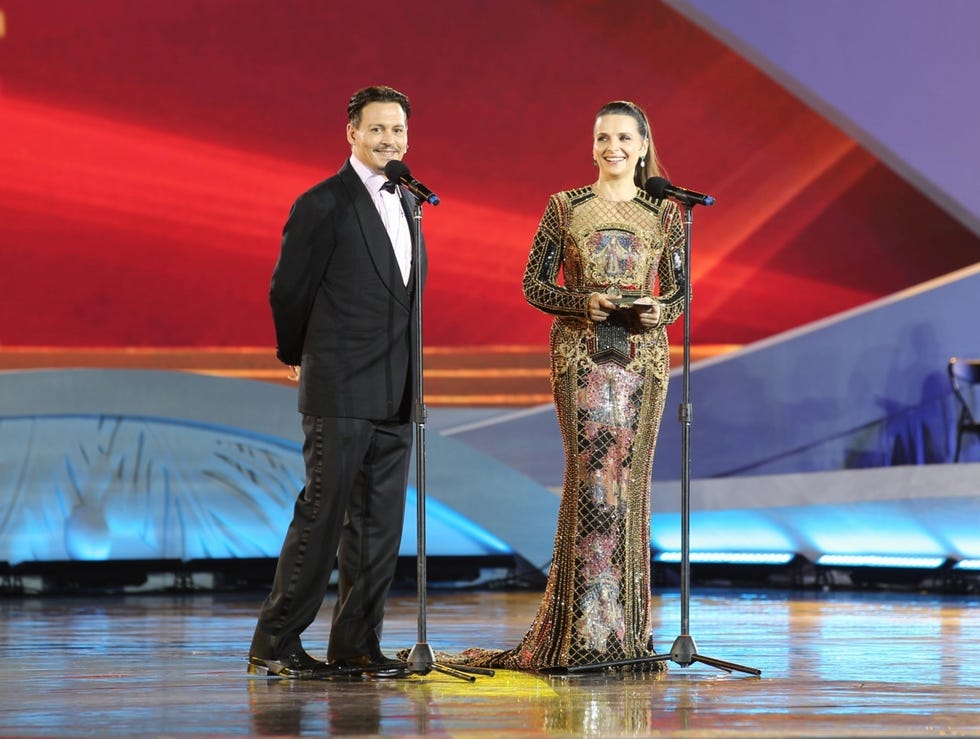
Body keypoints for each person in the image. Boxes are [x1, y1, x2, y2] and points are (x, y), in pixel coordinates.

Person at [460, 100, 686, 672]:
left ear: (641, 146)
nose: (613, 146)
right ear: (592, 146)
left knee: (628, 486)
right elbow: (533, 284)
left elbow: (681, 293)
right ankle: (578, 634)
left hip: (642, 362)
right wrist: (581, 302)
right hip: (581, 357)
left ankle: (624, 636)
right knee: (591, 483)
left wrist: (661, 310)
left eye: (624, 138)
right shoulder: (565, 207)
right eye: (603, 137)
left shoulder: (668, 212)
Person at [248, 85, 425, 680]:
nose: (389, 141)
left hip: (396, 393)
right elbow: (288, 289)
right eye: (378, 129)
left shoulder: (408, 204)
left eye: (398, 130)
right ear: (351, 132)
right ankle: (275, 642)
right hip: (341, 388)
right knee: (322, 517)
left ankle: (357, 645)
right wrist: (293, 350)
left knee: (378, 527)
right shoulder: (322, 203)